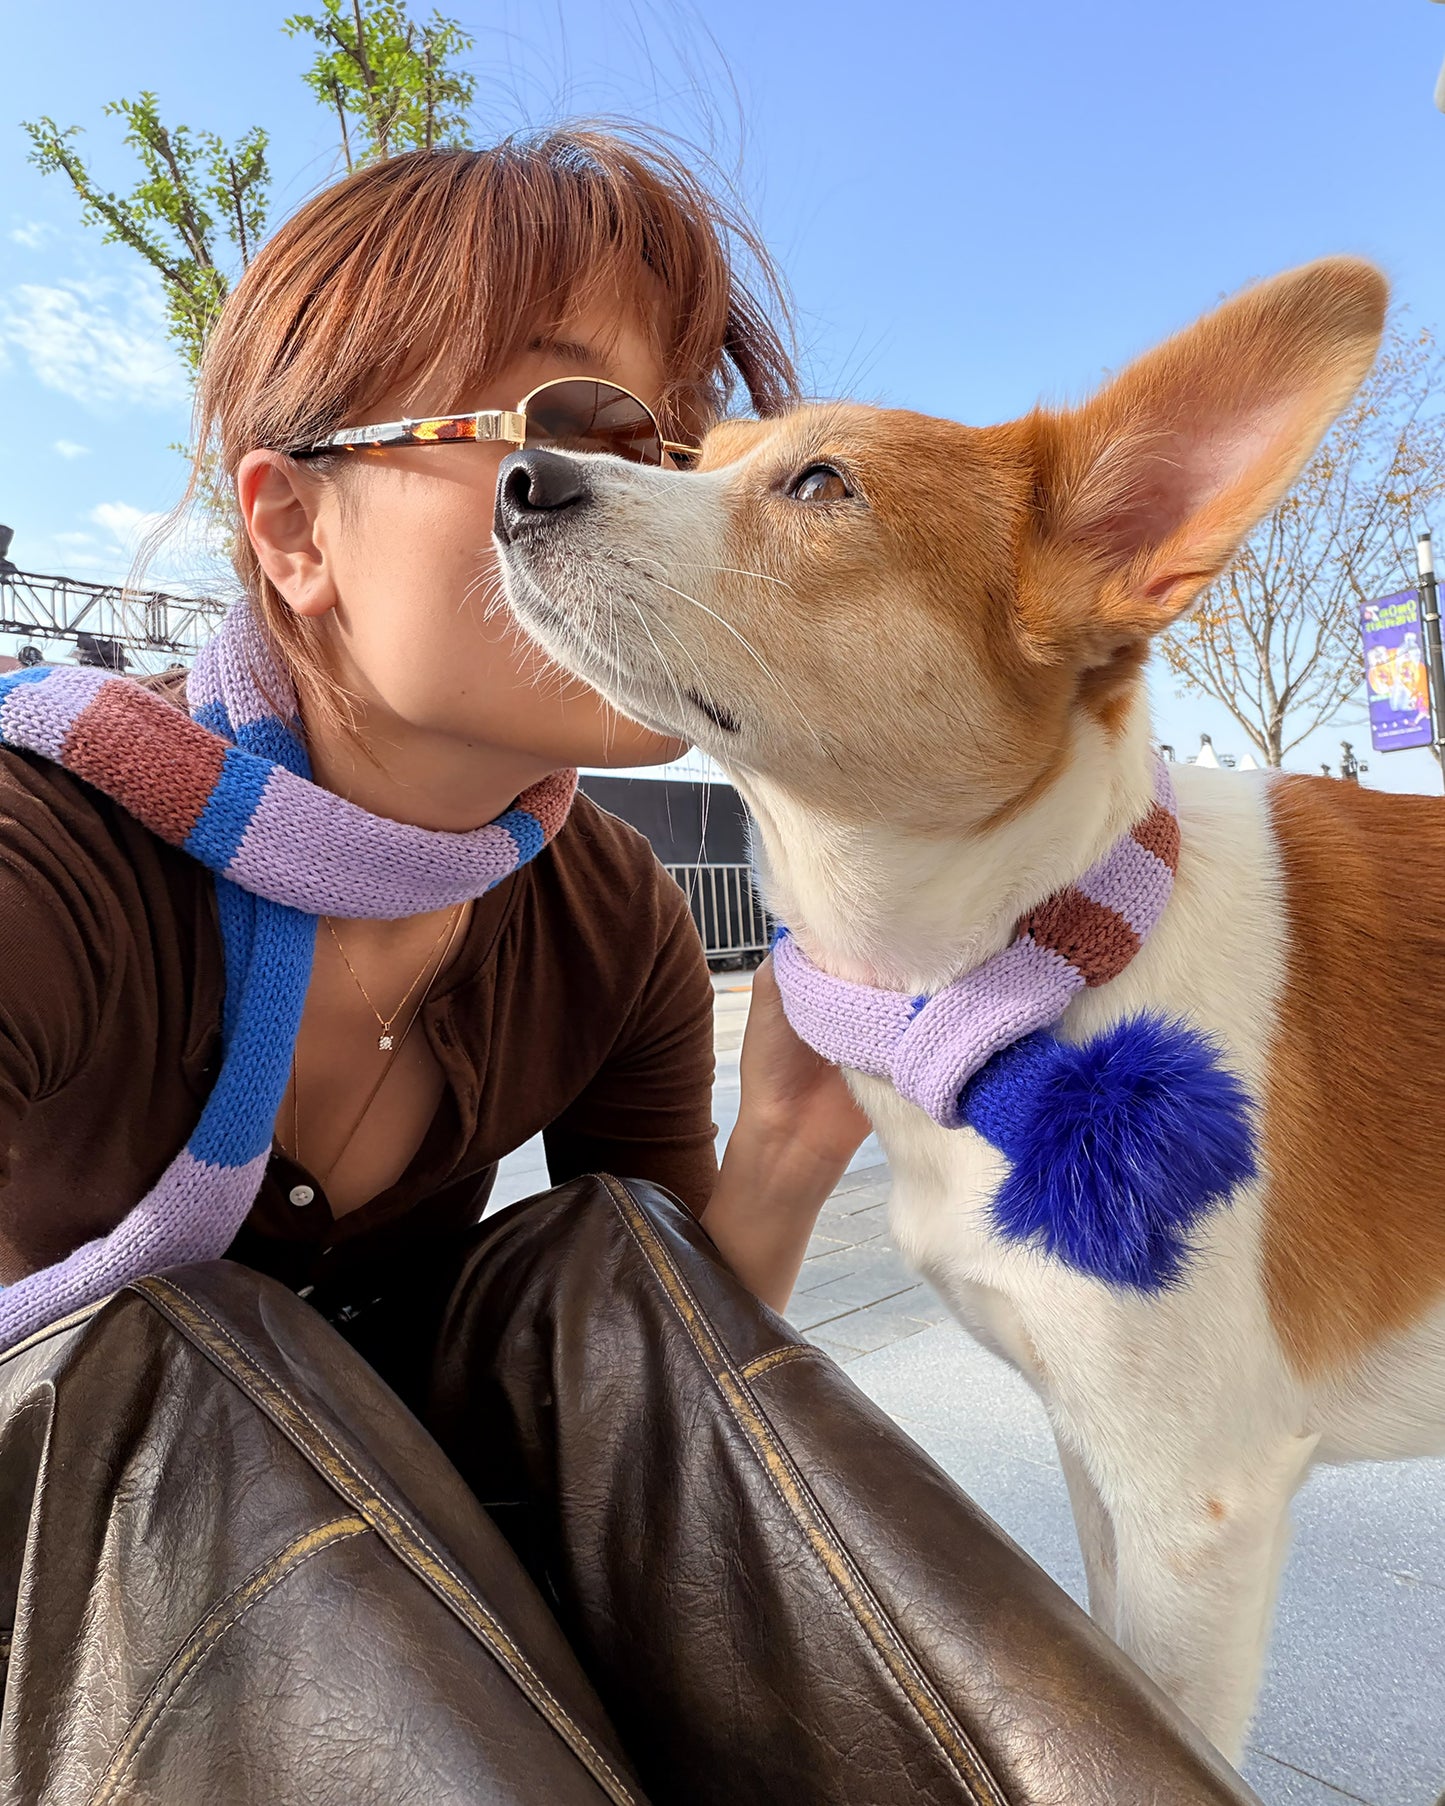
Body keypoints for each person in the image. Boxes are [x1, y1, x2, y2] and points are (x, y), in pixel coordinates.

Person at [0, 134, 1254, 1804]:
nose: (655, 494)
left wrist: (797, 1142)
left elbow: (657, 1405)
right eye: (571, 430)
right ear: (292, 528)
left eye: (682, 447)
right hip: (79, 1630)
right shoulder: (45, 859)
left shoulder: (607, 913)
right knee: (175, 1356)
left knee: (607, 1254)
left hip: (423, 1585)